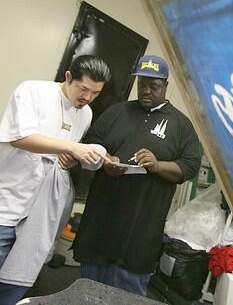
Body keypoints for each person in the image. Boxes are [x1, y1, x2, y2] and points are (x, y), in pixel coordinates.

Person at [73, 55, 201, 296]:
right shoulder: (118, 111)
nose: (146, 91)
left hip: (140, 229)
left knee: (126, 295)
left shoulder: (181, 125)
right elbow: (92, 142)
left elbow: (190, 166)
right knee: (86, 293)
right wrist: (105, 161)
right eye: (142, 84)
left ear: (165, 86)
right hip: (101, 221)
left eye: (154, 86)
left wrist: (157, 165)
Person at [0, 55, 111, 304]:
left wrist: (70, 156)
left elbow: (63, 152)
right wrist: (72, 147)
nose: (88, 98)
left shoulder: (86, 114)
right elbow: (21, 138)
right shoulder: (32, 92)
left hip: (40, 213)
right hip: (7, 203)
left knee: (16, 282)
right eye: (83, 89)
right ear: (69, 77)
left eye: (95, 93)